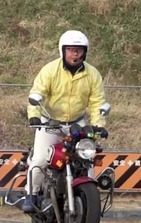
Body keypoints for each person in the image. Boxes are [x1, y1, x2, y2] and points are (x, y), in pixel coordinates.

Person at [23, 29, 108, 213]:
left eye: (78, 50)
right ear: (63, 50)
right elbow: (37, 93)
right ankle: (31, 195)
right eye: (70, 49)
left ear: (85, 52)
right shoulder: (50, 70)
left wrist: (99, 125)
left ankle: (88, 199)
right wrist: (35, 115)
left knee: (88, 160)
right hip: (50, 122)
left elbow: (97, 102)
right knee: (40, 160)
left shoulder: (93, 74)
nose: (74, 54)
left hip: (78, 123)